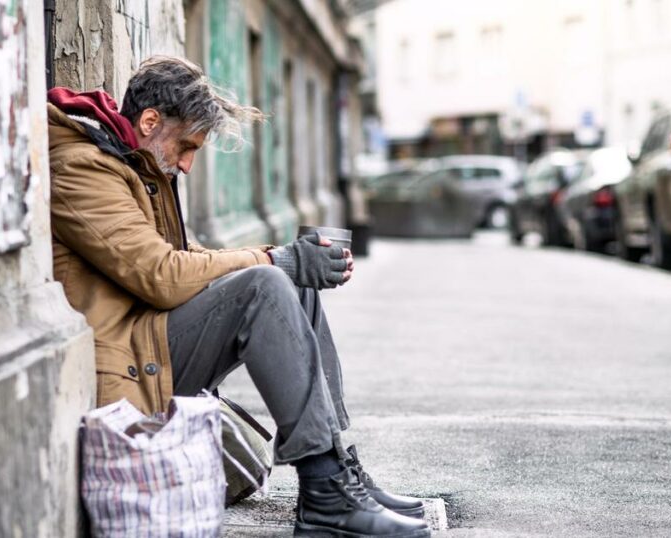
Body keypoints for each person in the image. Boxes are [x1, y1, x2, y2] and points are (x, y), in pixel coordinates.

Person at [47, 56, 429, 538]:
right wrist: (272, 262)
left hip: (151, 338)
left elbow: (182, 256)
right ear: (149, 122)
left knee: (287, 281)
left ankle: (334, 471)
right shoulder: (83, 167)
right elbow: (160, 274)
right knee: (266, 284)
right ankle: (327, 499)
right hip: (126, 357)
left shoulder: (131, 160)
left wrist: (283, 258)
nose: (187, 163)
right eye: (186, 146)